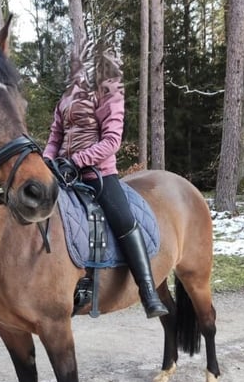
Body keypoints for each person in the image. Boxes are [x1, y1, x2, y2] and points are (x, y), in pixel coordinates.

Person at [43, 41, 168, 318]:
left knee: (123, 219)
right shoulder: (65, 98)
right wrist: (47, 162)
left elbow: (112, 141)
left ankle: (147, 292)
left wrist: (76, 161)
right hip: (61, 172)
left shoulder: (109, 91)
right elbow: (54, 138)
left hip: (97, 174)